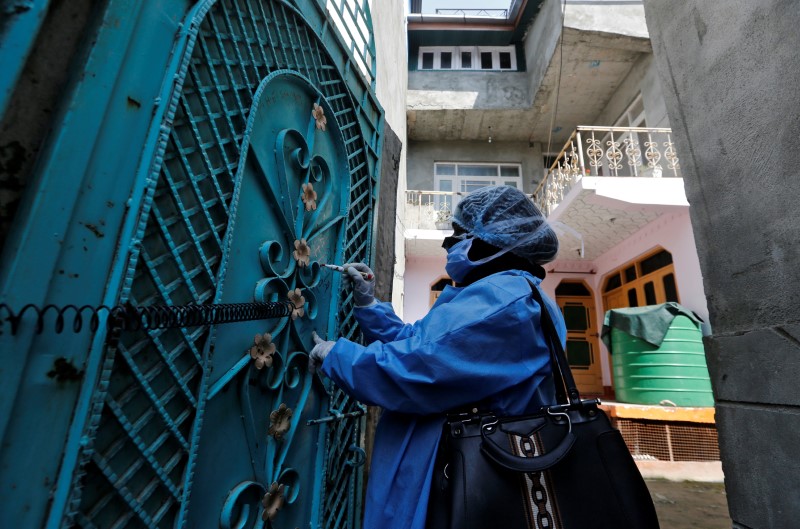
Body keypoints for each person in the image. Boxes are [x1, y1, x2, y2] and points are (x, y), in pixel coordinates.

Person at [309, 185, 567, 529]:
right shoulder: (500, 293)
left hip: (454, 471)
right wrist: (368, 304)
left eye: (459, 235)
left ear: (493, 241)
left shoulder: (506, 301)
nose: (449, 245)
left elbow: (417, 370)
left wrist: (335, 354)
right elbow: (421, 342)